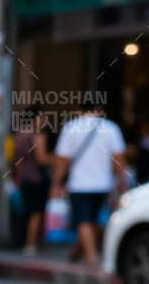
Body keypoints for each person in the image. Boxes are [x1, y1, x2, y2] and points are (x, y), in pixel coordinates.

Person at [52, 106, 128, 270]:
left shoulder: (71, 128)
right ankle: (77, 251)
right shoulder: (111, 128)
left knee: (84, 221)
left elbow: (62, 161)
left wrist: (56, 183)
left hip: (79, 184)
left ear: (79, 109)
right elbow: (120, 159)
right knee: (92, 221)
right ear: (99, 109)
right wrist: (123, 182)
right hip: (103, 184)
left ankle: (92, 258)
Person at [12, 127, 52, 256]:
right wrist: (58, 159)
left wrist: (18, 178)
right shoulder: (38, 135)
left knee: (27, 211)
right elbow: (42, 158)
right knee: (36, 212)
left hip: (24, 178)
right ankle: (31, 244)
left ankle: (23, 241)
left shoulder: (19, 135)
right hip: (37, 178)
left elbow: (18, 161)